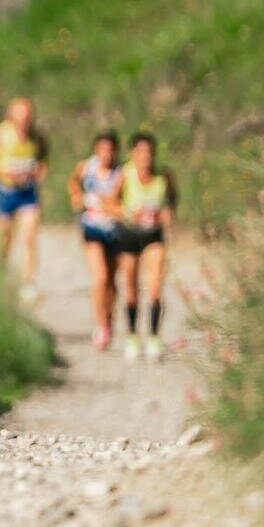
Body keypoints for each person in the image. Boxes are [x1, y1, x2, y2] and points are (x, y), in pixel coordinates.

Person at [112, 131, 178, 362]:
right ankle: (131, 335)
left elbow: (171, 202)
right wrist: (129, 212)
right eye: (141, 152)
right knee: (130, 286)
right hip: (129, 235)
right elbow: (111, 203)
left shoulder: (164, 176)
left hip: (153, 235)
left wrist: (167, 215)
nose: (145, 157)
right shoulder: (123, 174)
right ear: (133, 153)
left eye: (149, 152)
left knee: (155, 284)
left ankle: (153, 336)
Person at [0, 98, 49, 303]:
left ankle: (28, 283)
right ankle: (1, 274)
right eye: (20, 117)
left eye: (28, 117)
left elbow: (43, 157)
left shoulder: (37, 136)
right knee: (4, 237)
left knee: (30, 236)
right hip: (3, 192)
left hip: (27, 193)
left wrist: (40, 172)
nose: (24, 122)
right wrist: (2, 172)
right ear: (11, 117)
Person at [67, 130, 124, 351]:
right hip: (91, 229)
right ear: (95, 150)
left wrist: (111, 206)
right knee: (99, 278)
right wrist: (76, 196)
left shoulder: (121, 173)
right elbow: (72, 181)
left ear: (116, 152)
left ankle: (109, 319)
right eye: (102, 149)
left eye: (110, 150)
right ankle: (100, 326)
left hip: (115, 231)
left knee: (111, 281)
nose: (106, 154)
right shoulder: (86, 167)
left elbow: (121, 201)